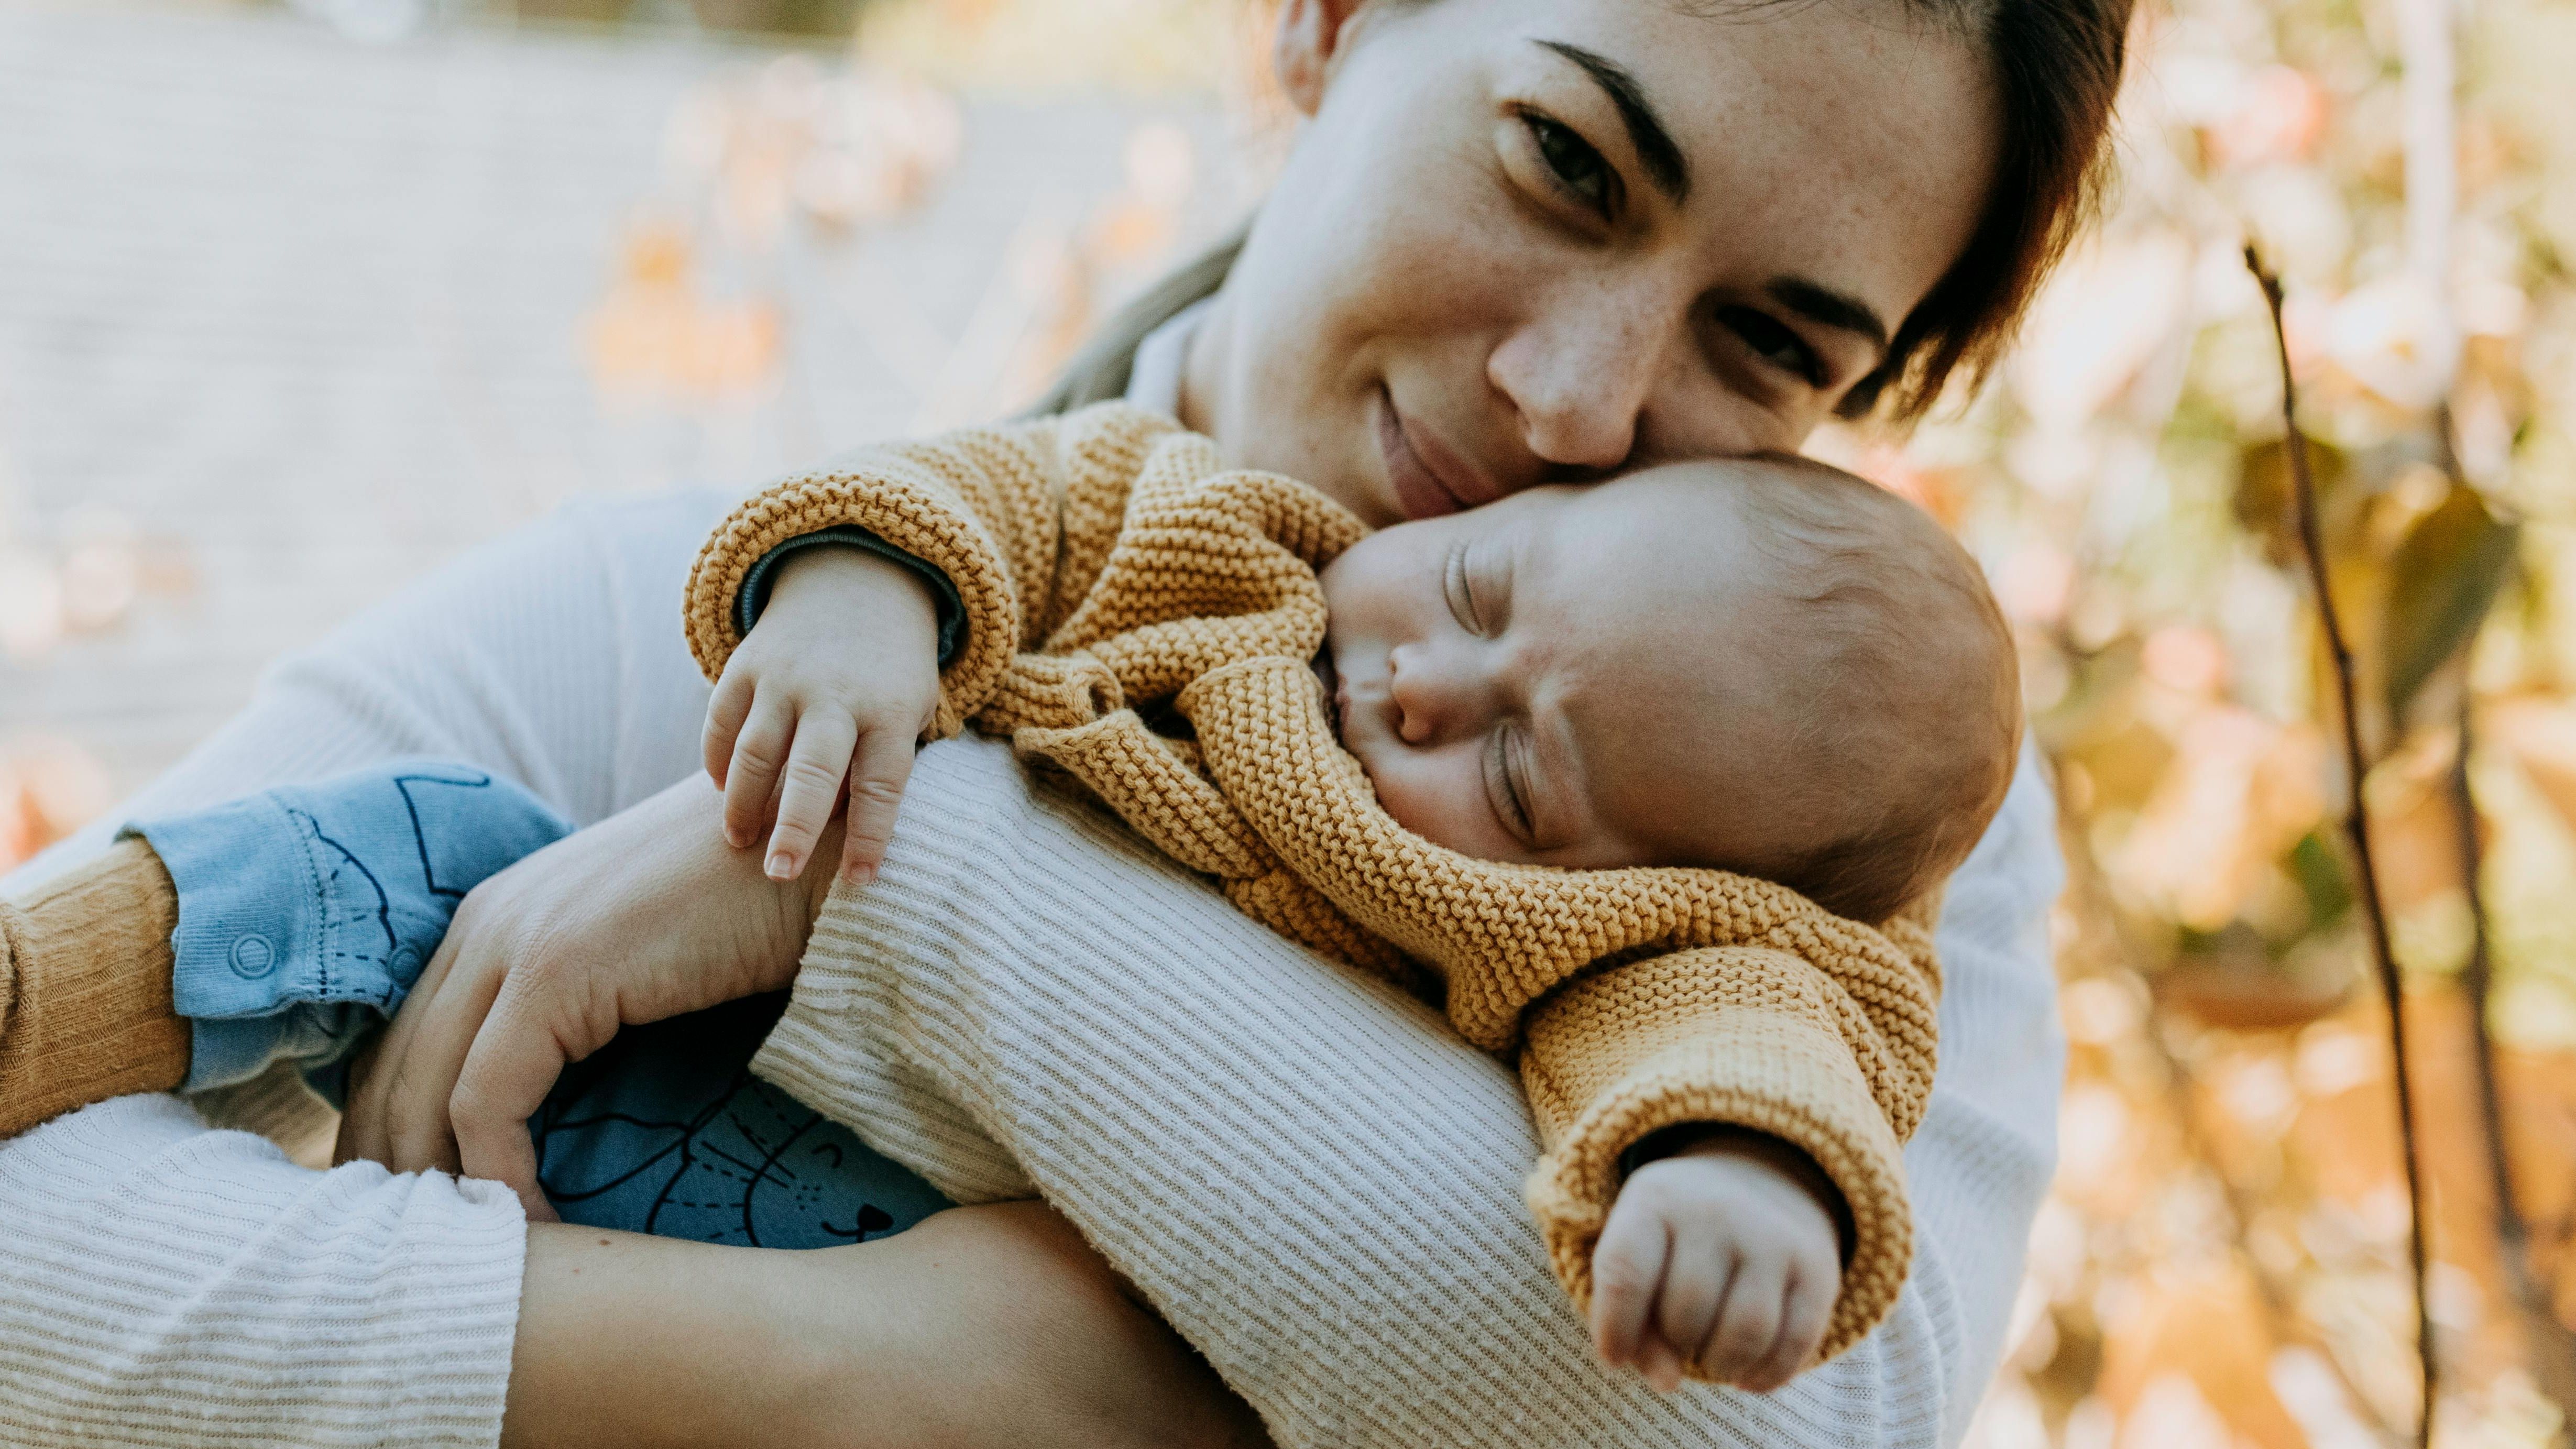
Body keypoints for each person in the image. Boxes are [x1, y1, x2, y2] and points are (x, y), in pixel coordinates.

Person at [0, 0, 2125, 1442]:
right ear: (1325, 18)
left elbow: (1759, 1422)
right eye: (1568, 161)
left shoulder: (1834, 782)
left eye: (1767, 342)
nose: (1576, 400)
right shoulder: (769, 597)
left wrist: (882, 882)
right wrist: (890, 1376)